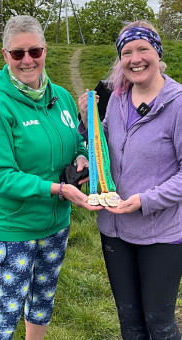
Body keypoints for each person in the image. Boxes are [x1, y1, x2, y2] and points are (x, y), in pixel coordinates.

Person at [0, 15, 102, 340]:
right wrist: (58, 188)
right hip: (12, 229)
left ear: (44, 50)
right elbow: (2, 177)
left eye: (34, 50)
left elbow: (79, 142)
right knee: (7, 312)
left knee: (42, 301)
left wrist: (82, 159)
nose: (28, 60)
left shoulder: (59, 96)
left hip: (55, 225)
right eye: (18, 53)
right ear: (5, 56)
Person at [78, 20, 182, 340]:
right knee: (130, 322)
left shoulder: (177, 103)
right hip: (114, 231)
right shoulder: (118, 98)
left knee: (159, 323)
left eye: (143, 49)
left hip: (160, 234)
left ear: (157, 53)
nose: (135, 58)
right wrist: (87, 136)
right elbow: (104, 144)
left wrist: (146, 200)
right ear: (120, 59)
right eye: (127, 52)